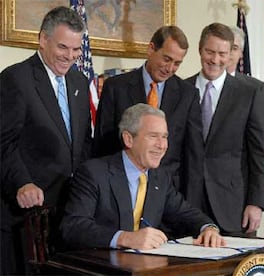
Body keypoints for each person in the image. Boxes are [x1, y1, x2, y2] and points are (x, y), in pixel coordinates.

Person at [0, 6, 92, 274]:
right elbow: (3, 142)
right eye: (63, 47)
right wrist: (22, 182)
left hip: (66, 212)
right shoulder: (15, 79)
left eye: (76, 50)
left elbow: (83, 141)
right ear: (43, 39)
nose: (71, 57)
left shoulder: (79, 80)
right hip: (25, 214)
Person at [60, 103, 225, 250]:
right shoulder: (93, 173)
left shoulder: (160, 177)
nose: (161, 145)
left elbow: (185, 212)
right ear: (129, 139)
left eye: (165, 137)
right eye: (153, 136)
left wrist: (208, 228)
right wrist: (125, 238)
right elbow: (73, 227)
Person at [93, 25, 203, 194]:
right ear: (151, 49)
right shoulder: (116, 87)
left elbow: (193, 155)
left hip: (167, 192)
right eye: (166, 59)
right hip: (120, 188)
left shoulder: (188, 94)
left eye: (177, 63)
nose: (170, 68)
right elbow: (103, 144)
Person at [185, 23, 264, 236]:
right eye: (210, 52)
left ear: (232, 53)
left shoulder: (251, 91)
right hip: (187, 202)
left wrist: (256, 203)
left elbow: (259, 154)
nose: (215, 60)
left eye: (222, 53)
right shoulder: (181, 89)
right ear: (200, 49)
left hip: (233, 205)